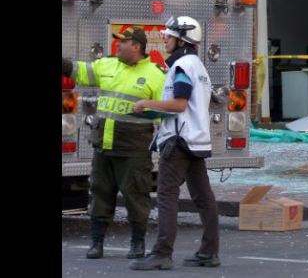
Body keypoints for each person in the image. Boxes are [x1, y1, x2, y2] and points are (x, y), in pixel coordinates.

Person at [62, 27, 166, 260]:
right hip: (104, 146)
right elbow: (77, 70)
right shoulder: (107, 65)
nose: (117, 45)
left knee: (136, 196)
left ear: (137, 46)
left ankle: (137, 244)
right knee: (100, 194)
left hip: (134, 150)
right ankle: (96, 243)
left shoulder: (156, 74)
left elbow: (165, 111)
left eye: (122, 42)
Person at [129, 16, 220, 270]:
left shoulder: (182, 66)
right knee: (204, 197)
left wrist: (147, 104)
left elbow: (180, 104)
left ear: (182, 40)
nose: (164, 40)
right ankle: (209, 252)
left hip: (179, 141)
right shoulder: (198, 66)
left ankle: (161, 254)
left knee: (167, 195)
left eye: (168, 36)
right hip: (195, 140)